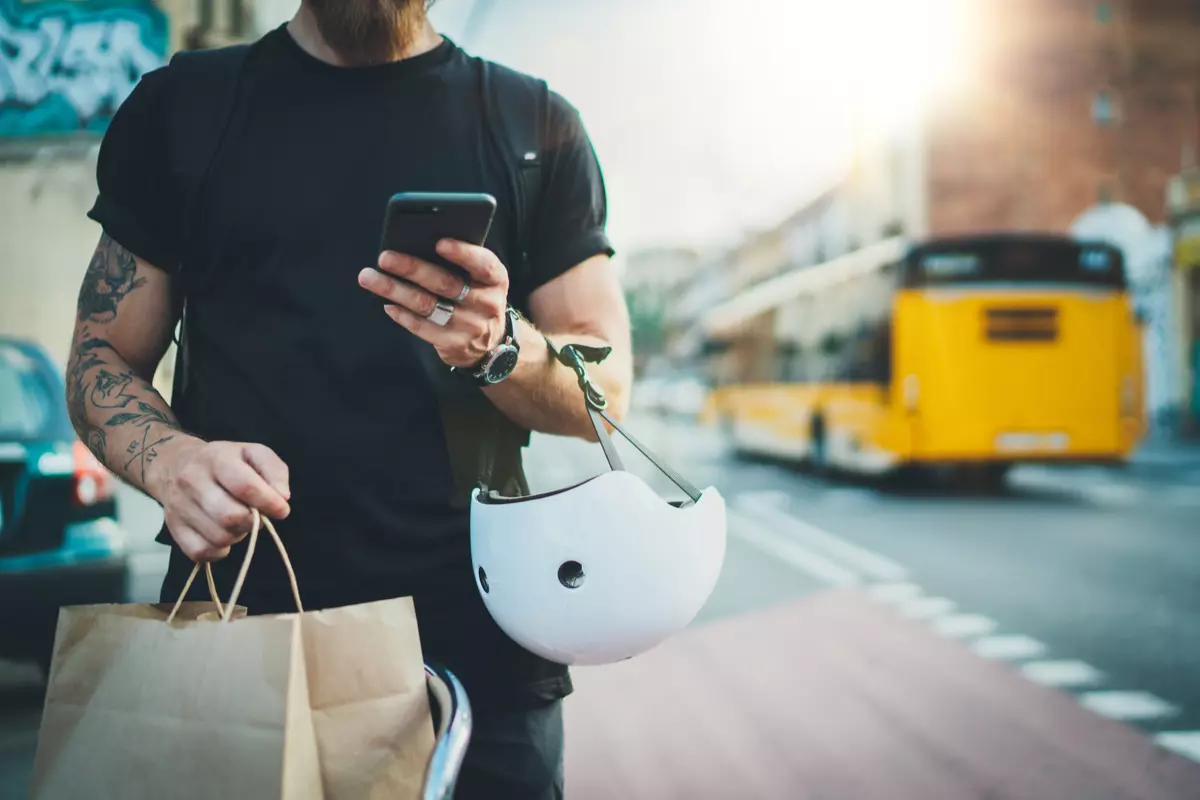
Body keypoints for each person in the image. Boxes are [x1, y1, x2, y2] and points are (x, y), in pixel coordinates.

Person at [63, 1, 632, 797]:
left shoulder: (533, 123)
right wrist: (172, 460)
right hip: (241, 644)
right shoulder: (183, 108)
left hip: (484, 657)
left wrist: (501, 344)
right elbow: (101, 357)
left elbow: (605, 390)